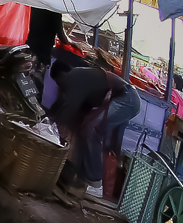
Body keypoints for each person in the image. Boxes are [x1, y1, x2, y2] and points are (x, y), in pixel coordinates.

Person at [49, 54, 141, 197]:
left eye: (59, 83)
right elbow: (75, 117)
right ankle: (81, 179)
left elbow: (68, 110)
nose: (61, 88)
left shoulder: (74, 77)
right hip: (124, 97)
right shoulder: (82, 82)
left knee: (92, 128)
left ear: (61, 77)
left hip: (128, 98)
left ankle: (95, 183)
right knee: (86, 128)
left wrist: (52, 128)